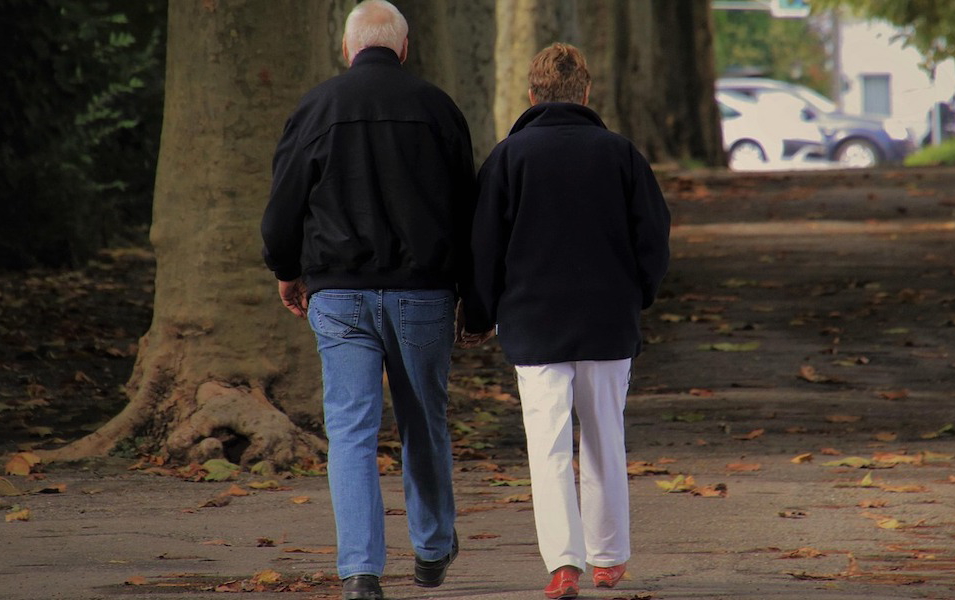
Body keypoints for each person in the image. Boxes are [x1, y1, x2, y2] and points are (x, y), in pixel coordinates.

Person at [259, 2, 472, 599]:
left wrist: (286, 269)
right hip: (423, 295)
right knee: (422, 421)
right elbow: (469, 212)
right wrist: (475, 300)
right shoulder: (439, 109)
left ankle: (360, 571)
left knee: (350, 431)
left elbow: (283, 207)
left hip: (340, 293)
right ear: (404, 49)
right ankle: (431, 548)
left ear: (347, 48)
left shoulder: (317, 106)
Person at [461, 43, 670, 600]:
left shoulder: (509, 158)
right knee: (606, 436)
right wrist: (639, 296)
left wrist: (479, 313)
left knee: (547, 446)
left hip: (533, 324)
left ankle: (564, 563)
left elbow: (484, 247)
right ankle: (609, 557)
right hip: (607, 320)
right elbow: (653, 236)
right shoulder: (621, 154)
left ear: (531, 96)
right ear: (586, 92)